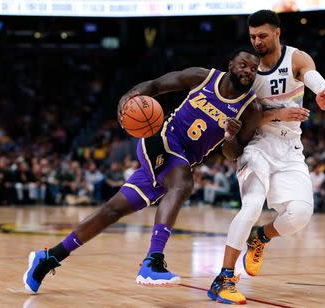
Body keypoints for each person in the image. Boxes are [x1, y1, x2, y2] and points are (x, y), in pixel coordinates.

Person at [23, 49, 263, 293]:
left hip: (178, 162)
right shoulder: (203, 77)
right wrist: (128, 97)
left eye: (254, 69)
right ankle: (153, 260)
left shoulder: (250, 108)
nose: (248, 71)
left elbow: (232, 153)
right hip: (159, 139)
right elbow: (156, 85)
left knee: (112, 210)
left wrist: (231, 137)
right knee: (182, 184)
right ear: (231, 64)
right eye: (244, 64)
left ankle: (48, 258)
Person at [207, 10, 325, 304]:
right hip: (257, 146)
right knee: (252, 205)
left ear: (277, 32)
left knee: (300, 215)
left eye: (263, 35)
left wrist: (323, 92)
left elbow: (312, 76)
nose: (257, 42)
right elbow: (246, 122)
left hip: (290, 148)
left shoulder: (295, 58)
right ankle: (224, 277)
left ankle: (260, 238)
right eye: (253, 37)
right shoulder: (247, 74)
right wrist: (276, 114)